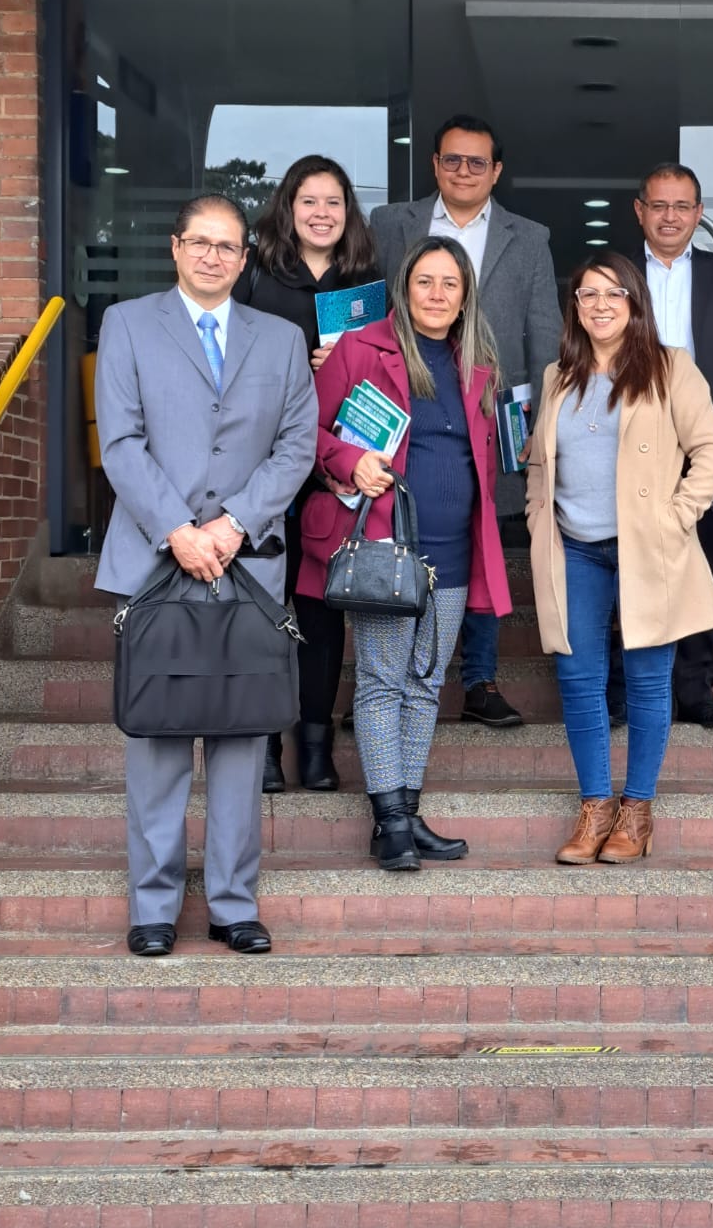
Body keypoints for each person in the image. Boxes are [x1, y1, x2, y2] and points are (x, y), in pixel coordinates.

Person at [94, 193, 318, 957]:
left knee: (241, 741)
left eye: (229, 247)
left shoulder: (282, 339)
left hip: (247, 567)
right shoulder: (127, 325)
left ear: (245, 258)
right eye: (202, 243)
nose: (214, 257)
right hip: (157, 567)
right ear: (176, 247)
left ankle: (232, 904)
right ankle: (153, 909)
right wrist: (177, 531)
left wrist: (230, 525)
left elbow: (297, 446)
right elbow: (120, 443)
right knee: (156, 742)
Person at [296, 235, 512, 871]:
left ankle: (409, 813)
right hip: (386, 546)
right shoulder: (363, 349)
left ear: (465, 293)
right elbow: (305, 431)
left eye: (450, 283)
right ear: (404, 288)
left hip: (453, 550)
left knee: (425, 684)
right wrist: (349, 460)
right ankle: (387, 820)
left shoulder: (479, 365)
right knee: (383, 680)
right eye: (425, 281)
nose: (438, 294)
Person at [527, 252, 713, 864]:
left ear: (634, 302)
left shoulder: (670, 368)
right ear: (576, 307)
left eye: (613, 294)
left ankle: (636, 810)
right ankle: (594, 808)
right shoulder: (556, 376)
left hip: (647, 548)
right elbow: (540, 461)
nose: (600, 306)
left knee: (646, 682)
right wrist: (540, 516)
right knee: (578, 677)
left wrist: (676, 515)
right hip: (576, 549)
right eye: (587, 295)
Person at [370, 115, 561, 729]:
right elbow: (367, 306)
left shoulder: (527, 236)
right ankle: (384, 681)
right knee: (388, 531)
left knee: (485, 536)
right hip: (405, 402)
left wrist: (543, 417)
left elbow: (545, 333)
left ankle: (478, 679)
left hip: (491, 410)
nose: (463, 172)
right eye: (452, 160)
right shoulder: (390, 225)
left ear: (496, 172)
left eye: (477, 163)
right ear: (434, 164)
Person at [233, 154, 381, 795]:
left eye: (334, 203)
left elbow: (387, 376)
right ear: (288, 208)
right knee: (266, 608)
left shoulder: (368, 282)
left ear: (349, 213)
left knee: (321, 614)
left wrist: (348, 361)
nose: (322, 214)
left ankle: (314, 748)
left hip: (335, 470)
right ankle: (263, 747)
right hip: (263, 468)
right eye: (309, 202)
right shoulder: (258, 274)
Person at [624, 163, 713, 728]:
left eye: (682, 207)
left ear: (699, 215)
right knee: (627, 561)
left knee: (703, 563)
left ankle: (696, 688)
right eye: (659, 205)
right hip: (630, 438)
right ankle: (624, 688)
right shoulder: (616, 272)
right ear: (640, 210)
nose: (670, 216)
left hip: (707, 439)